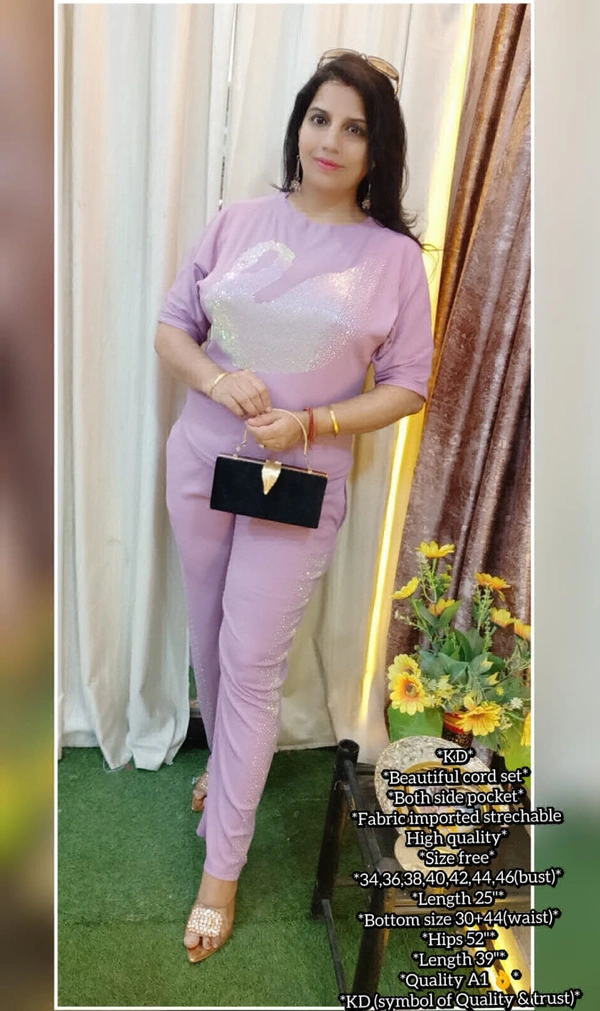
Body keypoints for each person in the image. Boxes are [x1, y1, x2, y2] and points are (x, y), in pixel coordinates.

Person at [154, 49, 434, 963]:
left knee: (252, 658)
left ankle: (221, 873)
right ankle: (227, 766)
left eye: (355, 127)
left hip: (298, 484)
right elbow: (172, 328)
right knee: (208, 635)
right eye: (320, 118)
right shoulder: (239, 220)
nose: (331, 140)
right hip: (202, 460)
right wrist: (217, 379)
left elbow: (408, 385)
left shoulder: (393, 259)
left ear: (378, 148)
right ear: (299, 124)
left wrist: (312, 419)